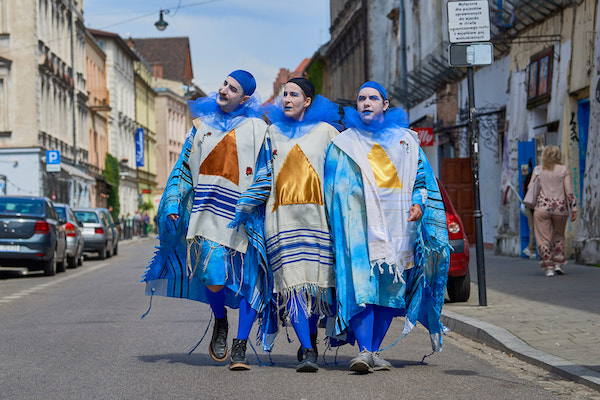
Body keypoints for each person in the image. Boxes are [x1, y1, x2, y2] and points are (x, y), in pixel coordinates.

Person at [142, 70, 270, 371]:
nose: (223, 90)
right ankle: (221, 320)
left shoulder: (258, 128)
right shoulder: (201, 126)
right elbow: (184, 167)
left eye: (232, 88)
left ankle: (240, 348)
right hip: (208, 215)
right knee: (213, 278)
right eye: (224, 84)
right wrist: (173, 200)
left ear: (245, 98)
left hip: (246, 218)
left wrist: (251, 201)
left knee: (249, 281)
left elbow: (267, 171)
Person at [324, 81, 450, 373]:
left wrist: (419, 203)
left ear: (385, 105)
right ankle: (365, 351)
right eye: (361, 99)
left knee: (389, 292)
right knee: (361, 289)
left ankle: (372, 350)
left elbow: (421, 181)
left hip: (398, 227)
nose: (366, 102)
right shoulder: (343, 144)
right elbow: (331, 188)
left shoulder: (406, 142)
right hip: (356, 230)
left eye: (372, 98)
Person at [230, 78, 340, 372]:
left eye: (294, 94)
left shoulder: (327, 133)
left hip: (319, 224)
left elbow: (341, 175)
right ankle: (306, 349)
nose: (287, 99)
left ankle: (311, 339)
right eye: (284, 94)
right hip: (280, 223)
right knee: (291, 287)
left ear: (308, 101)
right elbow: (262, 174)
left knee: (315, 289)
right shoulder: (272, 133)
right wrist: (243, 202)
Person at [533, 145, 577, 277]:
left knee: (543, 238)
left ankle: (549, 267)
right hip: (560, 208)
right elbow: (569, 190)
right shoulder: (563, 170)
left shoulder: (538, 170)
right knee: (558, 235)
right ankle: (558, 263)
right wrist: (573, 208)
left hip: (542, 208)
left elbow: (531, 188)